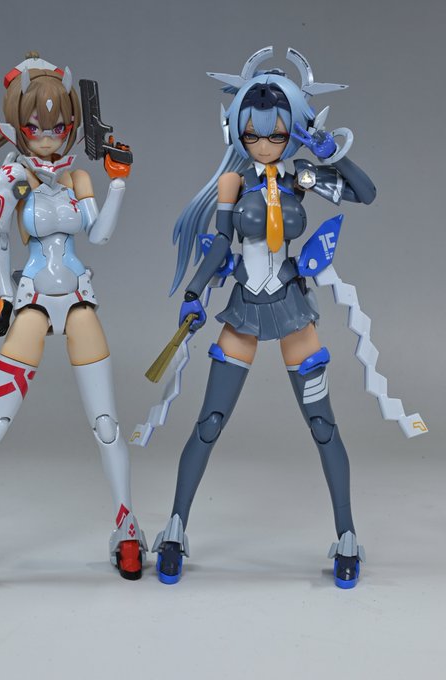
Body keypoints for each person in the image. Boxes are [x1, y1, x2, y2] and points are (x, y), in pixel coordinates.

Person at [0, 53, 147, 592]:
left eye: (59, 127)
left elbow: (101, 236)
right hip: (35, 301)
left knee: (106, 424)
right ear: (19, 126)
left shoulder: (78, 177)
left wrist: (117, 185)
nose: (48, 136)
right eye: (37, 127)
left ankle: (128, 532)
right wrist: (3, 296)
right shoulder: (12, 181)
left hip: (79, 299)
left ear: (72, 126)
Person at [152, 47, 376, 589]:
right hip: (245, 308)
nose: (264, 144)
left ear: (293, 128)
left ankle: (347, 534)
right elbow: (219, 244)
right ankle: (175, 528)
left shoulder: (301, 178)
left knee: (322, 426)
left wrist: (332, 153)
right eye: (253, 134)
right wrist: (195, 290)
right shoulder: (233, 184)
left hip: (293, 309)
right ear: (237, 131)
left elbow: (365, 194)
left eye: (276, 134)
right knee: (210, 422)